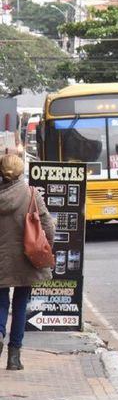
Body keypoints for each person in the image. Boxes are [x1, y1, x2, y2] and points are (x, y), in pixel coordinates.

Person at [0, 154, 55, 370]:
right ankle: (14, 357)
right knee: (21, 304)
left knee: (1, 301)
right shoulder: (31, 194)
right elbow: (48, 226)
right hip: (27, 259)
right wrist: (46, 246)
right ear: (21, 171)